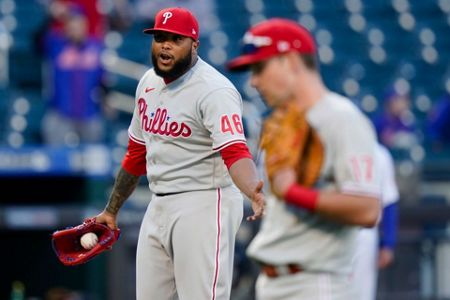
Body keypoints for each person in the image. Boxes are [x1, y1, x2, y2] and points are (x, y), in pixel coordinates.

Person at [91, 7, 265, 300]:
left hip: (205, 202)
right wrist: (112, 210)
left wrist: (253, 191)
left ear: (194, 45)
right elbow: (136, 153)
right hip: (159, 202)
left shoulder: (214, 90)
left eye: (176, 39)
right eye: (160, 37)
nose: (166, 45)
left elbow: (235, 151)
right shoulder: (147, 83)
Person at [227, 18, 381, 299]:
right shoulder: (280, 124)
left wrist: (294, 193)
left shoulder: (340, 118)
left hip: (314, 283)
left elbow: (368, 208)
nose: (254, 80)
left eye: (260, 67)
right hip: (275, 280)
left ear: (291, 61)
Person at [41, 6, 106, 146]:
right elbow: (36, 40)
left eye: (79, 23)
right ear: (66, 27)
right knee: (56, 158)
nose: (76, 28)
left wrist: (106, 98)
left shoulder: (95, 47)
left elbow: (103, 79)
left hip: (89, 113)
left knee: (94, 158)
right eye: (72, 24)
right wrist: (50, 19)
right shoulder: (56, 44)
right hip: (60, 112)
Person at [354, 143, 399, 300]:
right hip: (330, 231)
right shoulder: (328, 144)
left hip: (364, 233)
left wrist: (388, 243)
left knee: (363, 294)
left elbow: (389, 201)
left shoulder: (379, 153)